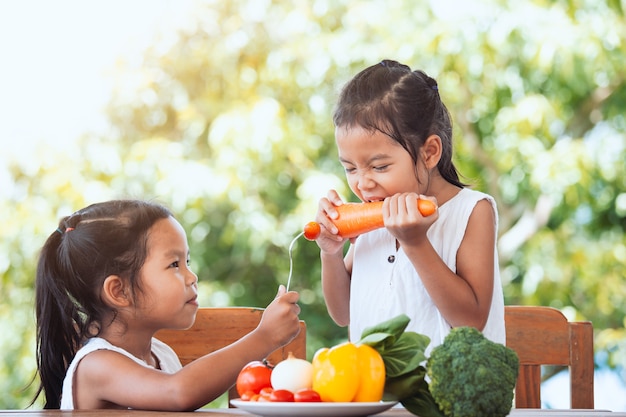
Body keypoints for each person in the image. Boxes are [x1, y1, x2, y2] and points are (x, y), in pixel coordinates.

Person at [33, 199, 301, 410]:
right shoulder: (96, 366)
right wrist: (264, 337)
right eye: (174, 264)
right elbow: (179, 393)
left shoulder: (162, 356)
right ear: (119, 291)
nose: (192, 277)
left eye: (188, 262)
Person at [313, 60, 505, 352]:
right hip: (375, 395)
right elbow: (342, 314)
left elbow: (471, 321)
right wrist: (331, 253)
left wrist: (415, 243)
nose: (362, 184)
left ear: (429, 153)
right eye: (350, 169)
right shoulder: (371, 220)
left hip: (446, 397)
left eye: (379, 166)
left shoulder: (473, 212)